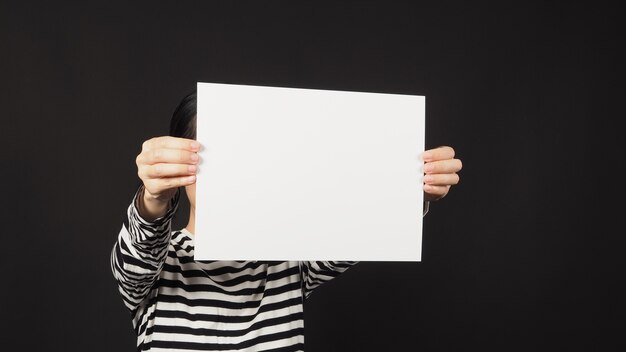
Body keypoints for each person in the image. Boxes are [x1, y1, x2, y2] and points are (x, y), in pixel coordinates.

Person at [111, 90, 463, 352]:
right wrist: (154, 196)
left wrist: (415, 187)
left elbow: (361, 222)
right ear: (180, 166)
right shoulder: (157, 262)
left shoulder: (287, 256)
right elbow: (138, 258)